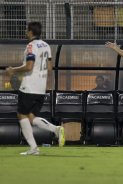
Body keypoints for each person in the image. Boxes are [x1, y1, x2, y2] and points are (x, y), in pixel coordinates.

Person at [6, 22, 65, 155]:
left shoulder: (31, 46)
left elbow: (29, 66)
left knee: (21, 115)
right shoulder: (46, 45)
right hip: (41, 87)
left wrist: (12, 70)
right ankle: (56, 129)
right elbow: (50, 68)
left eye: (27, 31)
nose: (26, 33)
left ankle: (33, 148)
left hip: (29, 86)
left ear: (30, 32)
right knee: (31, 117)